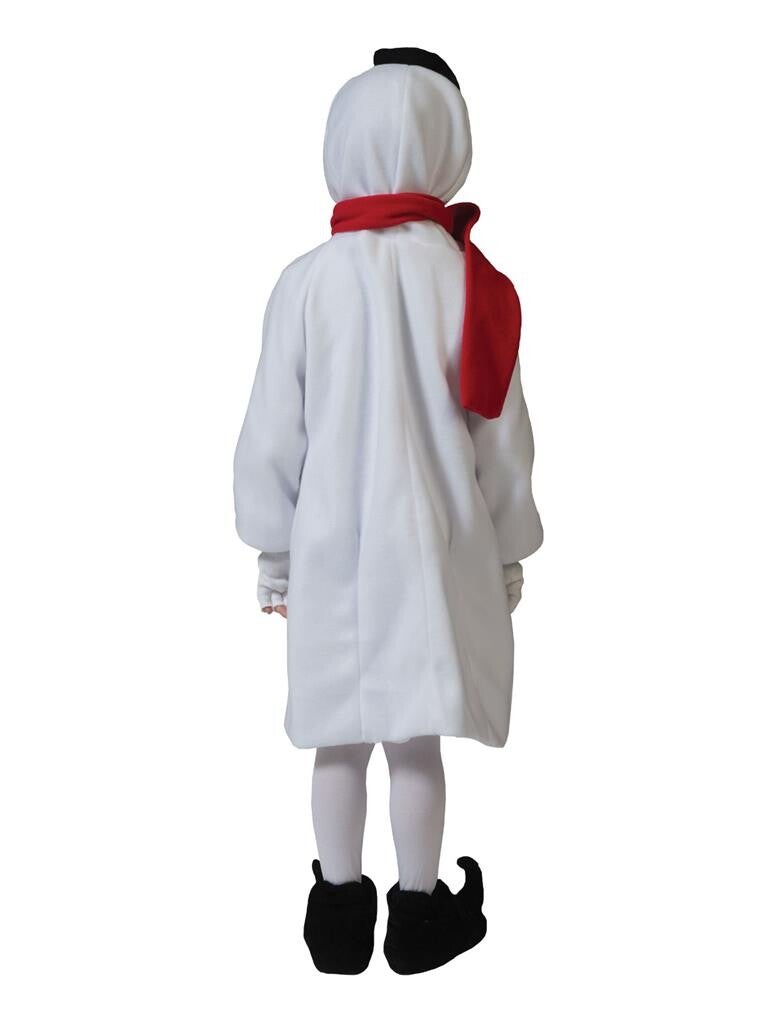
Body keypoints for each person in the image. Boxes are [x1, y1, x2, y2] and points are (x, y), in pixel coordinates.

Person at [234, 47, 543, 974]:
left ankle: (335, 919)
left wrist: (275, 554)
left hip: (330, 545)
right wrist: (506, 550)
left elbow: (271, 432)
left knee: (336, 735)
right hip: (434, 547)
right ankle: (419, 914)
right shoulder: (468, 282)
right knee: (413, 739)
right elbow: (501, 437)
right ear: (449, 142)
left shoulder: (305, 281)